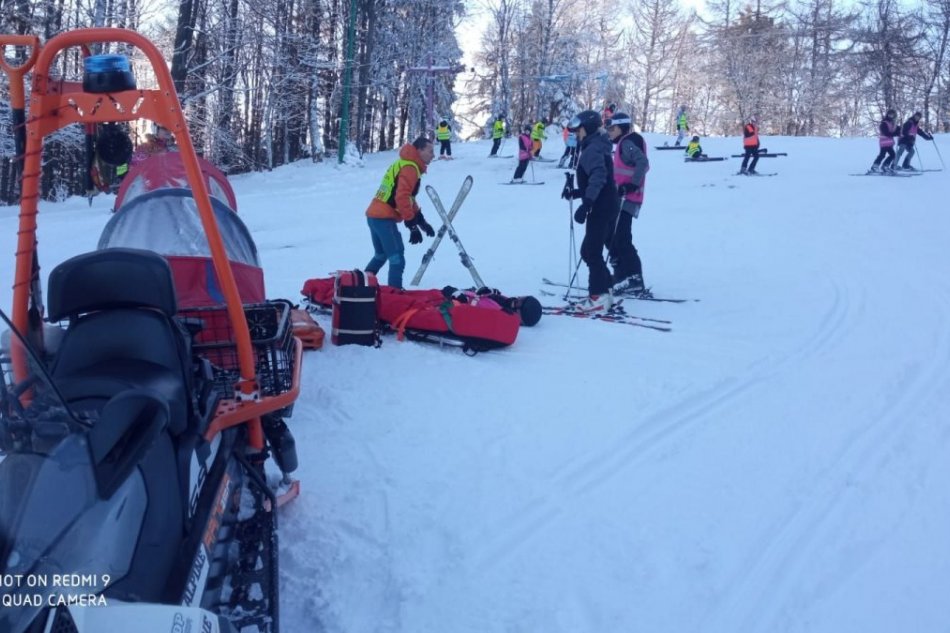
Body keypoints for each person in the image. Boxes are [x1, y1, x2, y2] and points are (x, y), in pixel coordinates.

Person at [560, 110, 618, 312]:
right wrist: (577, 193)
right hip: (606, 204)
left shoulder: (592, 149)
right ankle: (606, 288)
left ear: (588, 129)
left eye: (578, 130)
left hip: (601, 206)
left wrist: (586, 204)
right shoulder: (596, 146)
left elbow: (599, 176)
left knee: (590, 251)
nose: (576, 134)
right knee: (591, 250)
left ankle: (598, 296)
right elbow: (599, 177)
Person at [365, 136, 436, 288]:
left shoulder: (405, 163)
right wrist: (411, 225)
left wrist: (421, 221)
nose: (433, 155)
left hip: (374, 215)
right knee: (396, 258)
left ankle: (359, 287)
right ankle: (394, 295)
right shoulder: (410, 167)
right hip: (383, 217)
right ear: (419, 150)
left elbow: (408, 197)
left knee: (381, 255)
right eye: (430, 151)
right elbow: (402, 197)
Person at [605, 112, 649, 296]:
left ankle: (633, 278)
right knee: (611, 236)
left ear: (621, 128)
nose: (609, 132)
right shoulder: (624, 144)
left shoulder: (629, 142)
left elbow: (643, 163)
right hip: (621, 198)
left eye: (612, 129)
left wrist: (631, 185)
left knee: (621, 237)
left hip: (628, 199)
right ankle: (622, 274)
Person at [869, 109, 899, 173]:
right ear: (887, 115)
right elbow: (886, 133)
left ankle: (885, 166)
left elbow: (896, 130)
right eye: (890, 114)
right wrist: (896, 134)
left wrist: (900, 131)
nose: (891, 116)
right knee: (882, 155)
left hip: (889, 143)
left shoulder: (892, 123)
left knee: (893, 155)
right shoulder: (884, 123)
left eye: (892, 115)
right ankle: (875, 166)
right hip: (884, 142)